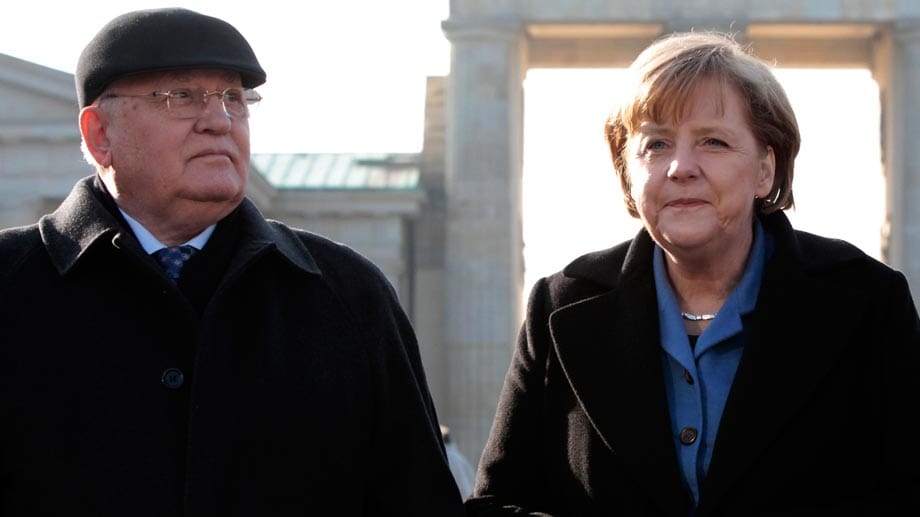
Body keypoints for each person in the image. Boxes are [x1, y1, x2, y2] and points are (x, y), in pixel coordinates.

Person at [0, 8, 464, 516]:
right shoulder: (11, 283)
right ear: (99, 135)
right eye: (181, 97)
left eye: (234, 99)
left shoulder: (349, 295)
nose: (219, 121)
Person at [465, 31, 920, 516]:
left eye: (714, 141)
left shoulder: (866, 301)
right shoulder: (559, 307)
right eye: (656, 144)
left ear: (765, 168)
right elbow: (496, 504)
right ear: (627, 171)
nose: (681, 167)